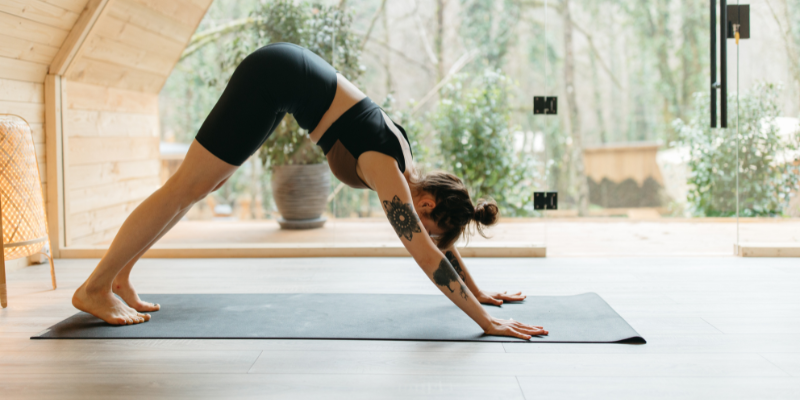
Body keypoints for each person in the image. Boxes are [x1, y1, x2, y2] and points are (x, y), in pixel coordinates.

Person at [72, 42, 548, 340]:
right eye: (429, 223)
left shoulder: (410, 171)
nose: (422, 230)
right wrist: (485, 325)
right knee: (185, 187)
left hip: (282, 77)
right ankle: (95, 286)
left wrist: (478, 293)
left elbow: (435, 245)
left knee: (202, 185)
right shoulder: (386, 166)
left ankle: (120, 279)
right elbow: (426, 254)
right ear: (426, 204)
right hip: (274, 77)